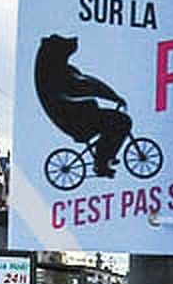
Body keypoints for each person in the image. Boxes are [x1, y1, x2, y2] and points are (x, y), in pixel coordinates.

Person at [34, 33, 132, 177]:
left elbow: (88, 82)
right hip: (77, 120)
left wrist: (112, 96)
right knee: (121, 122)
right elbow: (86, 85)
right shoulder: (56, 74)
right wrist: (113, 97)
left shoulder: (59, 71)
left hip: (80, 116)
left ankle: (104, 154)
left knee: (117, 121)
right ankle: (102, 162)